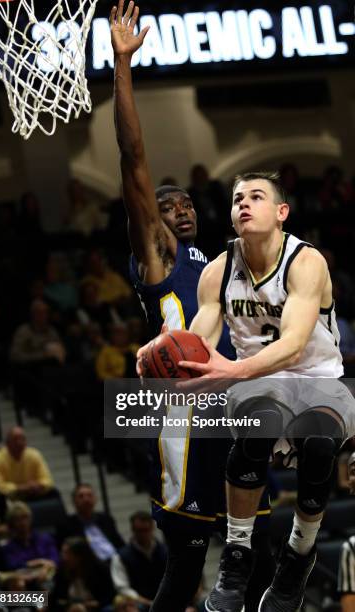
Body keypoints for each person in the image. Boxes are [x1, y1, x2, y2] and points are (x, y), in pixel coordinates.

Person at [110, 3, 274, 612]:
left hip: (236, 406)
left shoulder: (222, 264)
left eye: (184, 204)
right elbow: (131, 158)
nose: (177, 209)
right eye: (165, 203)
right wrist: (123, 66)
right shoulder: (159, 258)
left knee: (253, 548)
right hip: (186, 411)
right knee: (186, 560)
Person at [136, 169, 355, 611]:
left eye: (256, 196)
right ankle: (236, 559)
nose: (244, 204)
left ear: (281, 212)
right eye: (237, 199)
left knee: (318, 446)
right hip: (258, 384)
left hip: (318, 381)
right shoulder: (217, 272)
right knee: (258, 423)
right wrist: (165, 361)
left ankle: (297, 557)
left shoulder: (306, 261)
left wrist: (232, 371)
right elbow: (196, 345)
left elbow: (293, 347)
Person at [110, 511, 167, 609]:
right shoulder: (121, 556)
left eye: (146, 530)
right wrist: (146, 602)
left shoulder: (167, 552)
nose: (143, 534)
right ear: (133, 530)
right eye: (139, 531)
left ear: (152, 528)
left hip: (168, 600)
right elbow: (122, 588)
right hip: (139, 603)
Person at [57, 483, 124, 561]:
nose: (86, 499)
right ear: (74, 502)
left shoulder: (106, 519)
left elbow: (120, 544)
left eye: (89, 495)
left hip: (115, 561)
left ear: (95, 499)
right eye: (81, 496)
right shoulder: (66, 525)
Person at [0, 427, 54, 499]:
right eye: (15, 440)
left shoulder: (34, 454)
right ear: (7, 443)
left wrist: (39, 485)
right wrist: (21, 488)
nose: (19, 443)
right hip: (9, 499)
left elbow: (48, 480)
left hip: (34, 494)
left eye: (23, 439)